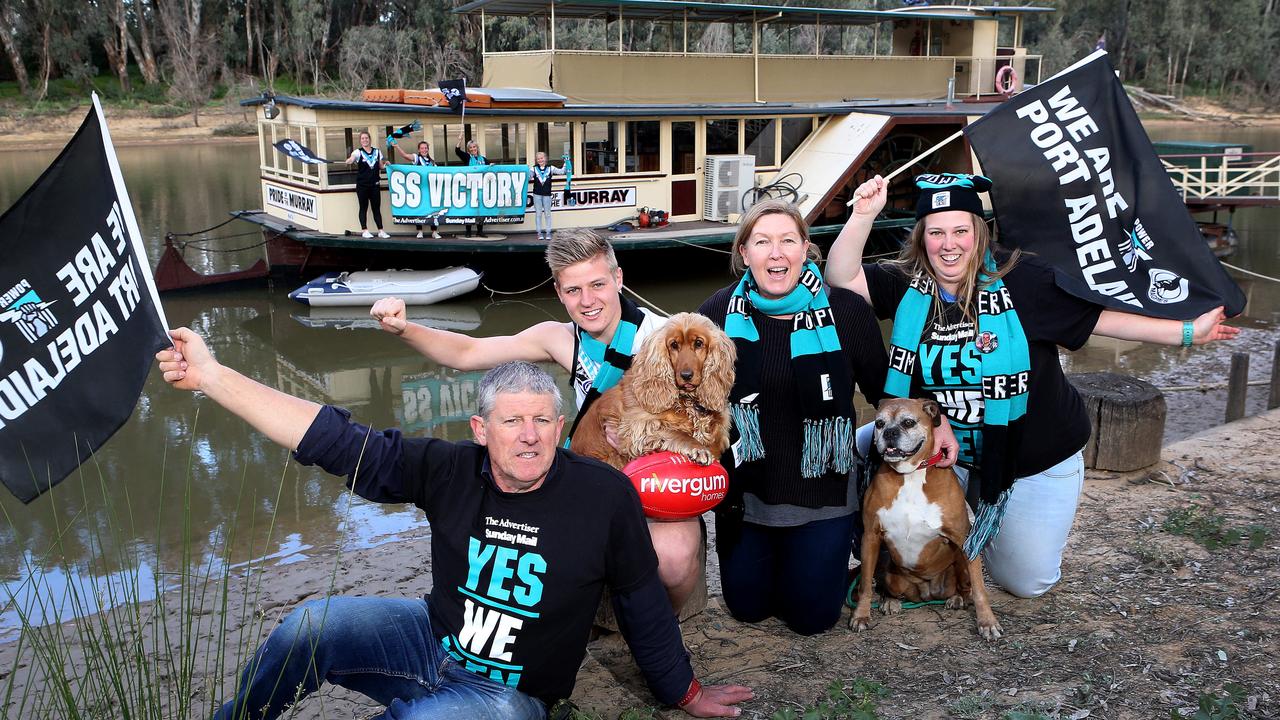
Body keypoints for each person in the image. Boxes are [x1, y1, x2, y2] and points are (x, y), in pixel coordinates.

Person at [153, 345, 753, 720]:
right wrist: (213, 376)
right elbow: (331, 439)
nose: (528, 435)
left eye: (543, 420)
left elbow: (642, 602)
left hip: (511, 695)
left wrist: (684, 691)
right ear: (480, 428)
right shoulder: (448, 468)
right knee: (309, 627)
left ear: (560, 426)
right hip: (430, 639)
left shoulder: (604, 494)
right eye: (511, 420)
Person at [825, 172, 1239, 598]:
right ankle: (870, 541)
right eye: (936, 232)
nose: (949, 244)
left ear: (979, 232)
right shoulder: (907, 283)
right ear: (922, 237)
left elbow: (1100, 320)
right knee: (855, 445)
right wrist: (863, 214)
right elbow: (842, 277)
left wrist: (1188, 331)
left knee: (1025, 581)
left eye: (960, 231)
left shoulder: (1025, 279)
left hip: (1028, 455)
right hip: (944, 449)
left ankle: (991, 518)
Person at [370, 229, 705, 615]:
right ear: (560, 293)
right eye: (573, 290)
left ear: (618, 279)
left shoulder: (666, 337)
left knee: (676, 560)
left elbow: (703, 419)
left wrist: (642, 438)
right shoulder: (559, 339)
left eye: (597, 284)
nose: (588, 301)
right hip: (597, 464)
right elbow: (469, 351)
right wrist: (405, 329)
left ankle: (661, 628)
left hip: (657, 475)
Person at [695, 199, 906, 636]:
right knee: (747, 609)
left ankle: (835, 555)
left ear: (806, 249)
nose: (776, 253)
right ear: (744, 253)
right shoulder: (716, 313)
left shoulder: (846, 311)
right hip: (747, 494)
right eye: (762, 242)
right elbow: (685, 390)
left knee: (811, 619)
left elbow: (885, 394)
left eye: (788, 240)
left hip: (823, 490)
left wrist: (933, 421)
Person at [393, 139, 442, 239]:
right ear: (419, 150)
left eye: (425, 148)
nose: (424, 150)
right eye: (422, 148)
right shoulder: (416, 158)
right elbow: (405, 156)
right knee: (419, 210)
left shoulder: (432, 162)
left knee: (433, 210)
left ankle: (434, 231)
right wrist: (397, 146)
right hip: (418, 190)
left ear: (428, 149)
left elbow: (439, 174)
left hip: (430, 190)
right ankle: (420, 231)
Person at [346, 130, 390, 239]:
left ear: (369, 139)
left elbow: (380, 166)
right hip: (362, 186)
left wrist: (386, 164)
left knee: (376, 208)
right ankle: (364, 230)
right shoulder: (358, 152)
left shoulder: (377, 152)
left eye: (366, 138)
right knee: (363, 208)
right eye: (362, 138)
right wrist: (349, 160)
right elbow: (352, 159)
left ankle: (381, 230)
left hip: (375, 185)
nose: (365, 140)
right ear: (360, 141)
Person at [456, 134, 488, 238]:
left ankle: (480, 230)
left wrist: (491, 166)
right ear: (469, 150)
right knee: (469, 210)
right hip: (469, 188)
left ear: (477, 148)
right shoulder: (467, 157)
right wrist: (459, 140)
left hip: (481, 188)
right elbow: (457, 151)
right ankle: (468, 231)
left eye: (474, 147)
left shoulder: (483, 159)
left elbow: (488, 169)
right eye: (471, 148)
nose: (473, 149)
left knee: (480, 210)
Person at [529, 151, 566, 241]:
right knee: (538, 214)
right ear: (536, 160)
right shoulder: (533, 169)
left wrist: (566, 163)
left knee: (548, 214)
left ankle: (548, 232)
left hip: (547, 194)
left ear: (545, 159)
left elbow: (561, 172)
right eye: (538, 159)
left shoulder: (550, 168)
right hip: (537, 194)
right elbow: (528, 177)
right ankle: (539, 233)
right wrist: (525, 170)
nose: (540, 160)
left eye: (542, 158)